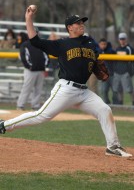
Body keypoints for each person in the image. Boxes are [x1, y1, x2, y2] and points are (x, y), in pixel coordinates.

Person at [0, 8, 132, 158]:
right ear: (70, 28)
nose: (82, 24)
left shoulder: (89, 42)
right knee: (41, 116)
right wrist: (29, 18)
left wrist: (97, 67)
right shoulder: (62, 44)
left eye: (82, 22)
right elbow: (35, 40)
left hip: (84, 92)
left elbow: (95, 61)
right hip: (66, 89)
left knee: (105, 110)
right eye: (78, 23)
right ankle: (4, 125)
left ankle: (113, 146)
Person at [17, 29, 49, 110]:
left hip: (41, 70)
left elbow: (46, 56)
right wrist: (29, 66)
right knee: (27, 88)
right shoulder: (25, 44)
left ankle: (35, 105)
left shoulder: (41, 44)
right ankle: (20, 105)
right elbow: (23, 57)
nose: (36, 34)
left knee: (38, 89)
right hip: (30, 70)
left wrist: (45, 66)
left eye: (37, 33)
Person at [113, 32, 134, 105]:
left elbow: (131, 61)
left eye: (123, 39)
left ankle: (133, 102)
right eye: (120, 39)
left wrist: (130, 72)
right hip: (118, 72)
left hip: (126, 72)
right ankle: (120, 103)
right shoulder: (117, 48)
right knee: (119, 89)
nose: (122, 40)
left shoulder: (129, 48)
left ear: (126, 39)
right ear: (119, 40)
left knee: (129, 90)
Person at [98, 38, 115, 104]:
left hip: (112, 74)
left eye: (104, 44)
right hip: (103, 75)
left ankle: (116, 104)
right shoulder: (97, 52)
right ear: (99, 44)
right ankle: (106, 103)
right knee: (104, 90)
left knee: (114, 90)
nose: (103, 45)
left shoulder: (111, 51)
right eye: (102, 44)